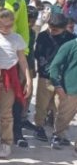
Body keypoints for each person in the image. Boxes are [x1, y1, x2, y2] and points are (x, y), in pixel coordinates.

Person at [0, 8, 32, 159]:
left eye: (10, 25)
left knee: (6, 113)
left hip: (9, 78)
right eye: (3, 25)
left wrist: (28, 80)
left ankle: (6, 143)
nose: (7, 28)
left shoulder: (17, 38)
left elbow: (22, 60)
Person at [33, 13, 73, 142]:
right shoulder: (43, 36)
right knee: (42, 103)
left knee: (60, 106)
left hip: (63, 78)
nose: (52, 31)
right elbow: (38, 54)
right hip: (46, 75)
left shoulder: (71, 39)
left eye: (55, 30)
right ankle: (39, 127)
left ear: (64, 28)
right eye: (50, 28)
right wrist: (47, 69)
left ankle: (59, 132)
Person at [48, 33, 77, 153]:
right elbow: (54, 66)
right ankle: (57, 136)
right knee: (64, 116)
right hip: (71, 89)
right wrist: (58, 85)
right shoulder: (70, 46)